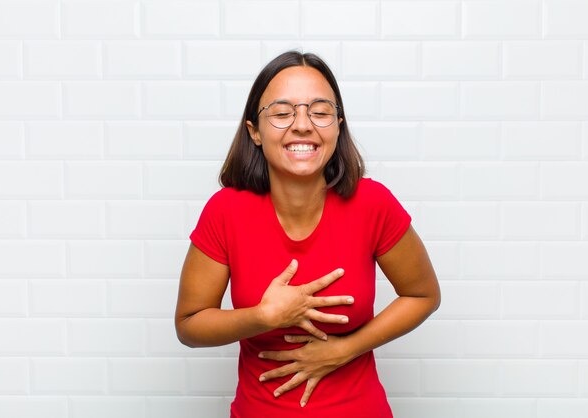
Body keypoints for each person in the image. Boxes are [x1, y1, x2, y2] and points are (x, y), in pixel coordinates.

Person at [175, 51, 440, 418]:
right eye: (283, 113)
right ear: (254, 130)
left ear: (337, 126)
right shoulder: (225, 211)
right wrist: (263, 317)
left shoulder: (373, 203)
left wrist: (344, 350)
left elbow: (423, 294)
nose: (303, 125)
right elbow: (189, 325)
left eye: (320, 111)